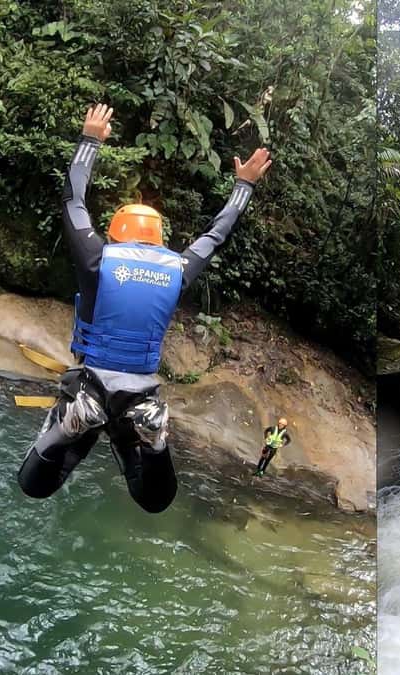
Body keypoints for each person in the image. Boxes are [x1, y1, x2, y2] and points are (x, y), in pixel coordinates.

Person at [17, 103, 272, 513]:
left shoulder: (98, 257)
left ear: (117, 233)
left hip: (90, 384)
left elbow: (72, 200)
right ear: (157, 239)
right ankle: (155, 440)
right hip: (138, 395)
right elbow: (216, 235)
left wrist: (89, 140)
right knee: (153, 500)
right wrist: (244, 185)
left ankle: (68, 427)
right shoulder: (178, 268)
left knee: (34, 484)